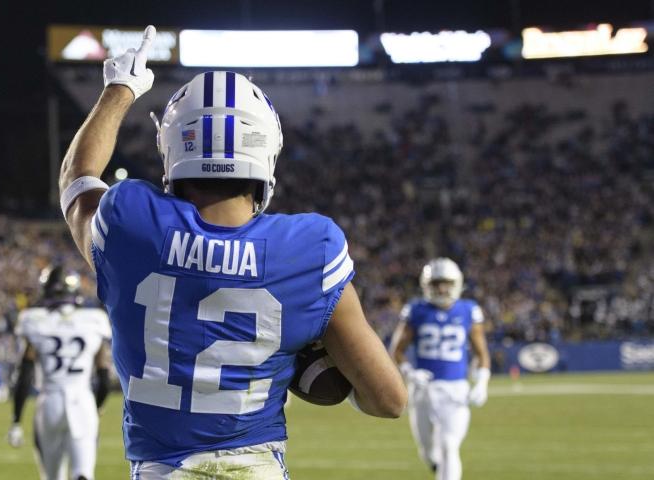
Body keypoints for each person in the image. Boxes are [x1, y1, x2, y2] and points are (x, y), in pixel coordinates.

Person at [58, 25, 407, 479]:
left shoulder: (131, 222)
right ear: (267, 153)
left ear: (173, 150)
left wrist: (120, 88)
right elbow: (388, 400)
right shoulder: (310, 249)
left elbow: (78, 179)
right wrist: (313, 364)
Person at [389, 258, 491, 480]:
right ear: (426, 285)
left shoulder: (468, 309)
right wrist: (410, 373)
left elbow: (482, 353)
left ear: (457, 283)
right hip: (423, 390)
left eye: (446, 283)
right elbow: (396, 351)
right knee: (428, 452)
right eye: (436, 283)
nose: (442, 288)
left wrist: (482, 382)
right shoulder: (415, 309)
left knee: (448, 445)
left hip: (455, 389)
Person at [7, 266, 112, 480]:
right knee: (83, 474)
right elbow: (104, 378)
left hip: (50, 402)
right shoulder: (94, 320)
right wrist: (97, 406)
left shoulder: (34, 320)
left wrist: (16, 420)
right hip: (82, 401)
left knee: (52, 477)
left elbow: (24, 376)